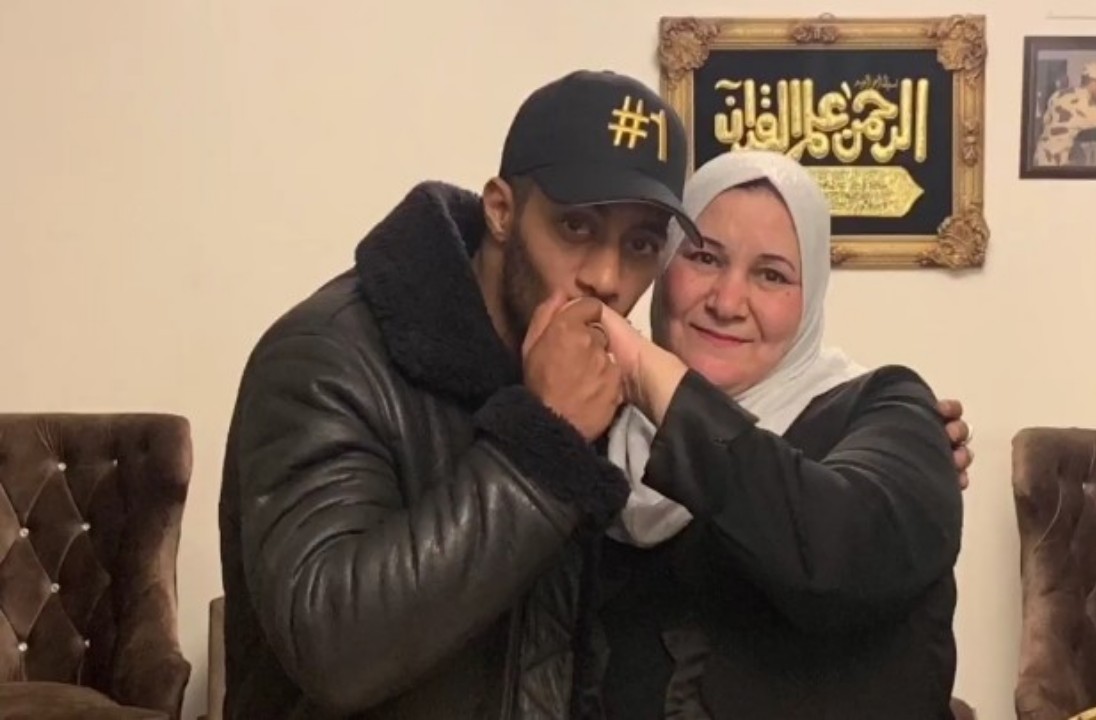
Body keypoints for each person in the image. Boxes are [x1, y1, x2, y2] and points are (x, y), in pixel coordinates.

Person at [218, 69, 974, 718]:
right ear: (501, 211)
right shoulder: (334, 357)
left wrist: (908, 447)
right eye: (576, 228)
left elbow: (842, 544)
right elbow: (334, 649)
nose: (608, 279)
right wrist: (542, 442)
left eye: (641, 244)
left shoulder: (863, 411)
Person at [585, 149, 964, 718]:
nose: (727, 302)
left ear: (811, 298)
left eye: (771, 275)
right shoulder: (601, 425)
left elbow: (836, 559)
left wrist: (656, 379)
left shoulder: (887, 408)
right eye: (704, 257)